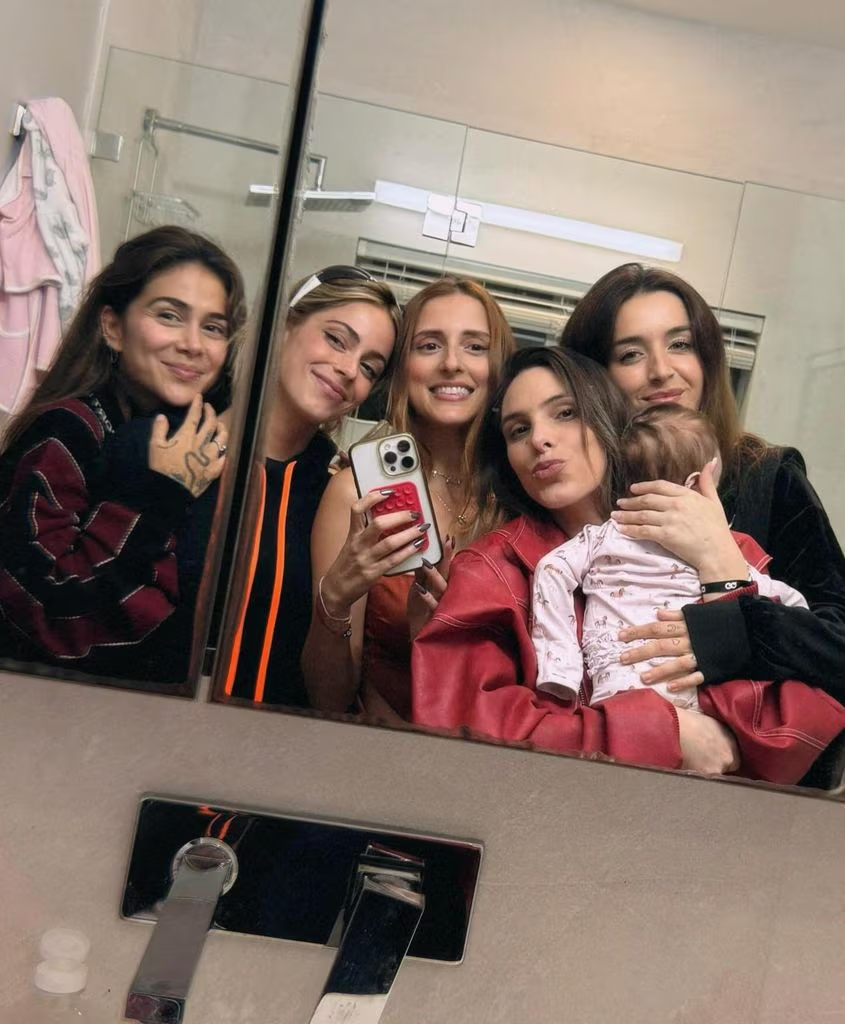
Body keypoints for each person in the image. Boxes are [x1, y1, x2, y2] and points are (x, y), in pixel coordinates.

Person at [411, 347, 845, 785]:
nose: (539, 439)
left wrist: (724, 581)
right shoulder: (492, 569)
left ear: (608, 421)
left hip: (713, 817)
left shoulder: (723, 546)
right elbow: (462, 732)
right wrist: (666, 733)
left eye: (565, 413)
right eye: (518, 429)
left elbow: (803, 714)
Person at [560, 263, 845, 713]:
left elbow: (836, 644)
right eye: (630, 354)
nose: (661, 370)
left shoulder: (766, 477)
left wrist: (724, 594)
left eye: (680, 344)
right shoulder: (575, 485)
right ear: (594, 376)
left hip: (738, 747)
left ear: (707, 358)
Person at [0, 225, 247, 684]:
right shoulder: (66, 430)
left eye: (213, 327)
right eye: (169, 315)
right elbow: (48, 616)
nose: (193, 344)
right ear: (113, 327)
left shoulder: (190, 440)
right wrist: (158, 498)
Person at [302, 277, 516, 721]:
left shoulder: (521, 496)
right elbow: (327, 699)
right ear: (403, 367)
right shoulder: (356, 493)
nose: (452, 363)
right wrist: (334, 601)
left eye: (475, 347)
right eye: (429, 345)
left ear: (498, 368)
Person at [532, 405, 808, 713]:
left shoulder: (601, 538)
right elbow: (772, 595)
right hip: (687, 691)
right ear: (695, 484)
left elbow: (551, 568)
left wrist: (561, 666)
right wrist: (800, 615)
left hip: (614, 690)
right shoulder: (702, 549)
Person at [218, 266, 401, 707]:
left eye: (370, 367)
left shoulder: (338, 495)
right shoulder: (174, 444)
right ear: (285, 325)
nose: (348, 369)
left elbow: (334, 692)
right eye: (336, 339)